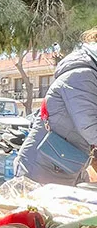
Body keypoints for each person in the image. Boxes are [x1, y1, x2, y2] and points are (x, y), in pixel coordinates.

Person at [16, 30, 97, 185]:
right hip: (43, 168)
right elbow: (90, 127)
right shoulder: (81, 75)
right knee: (33, 209)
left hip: (62, 164)